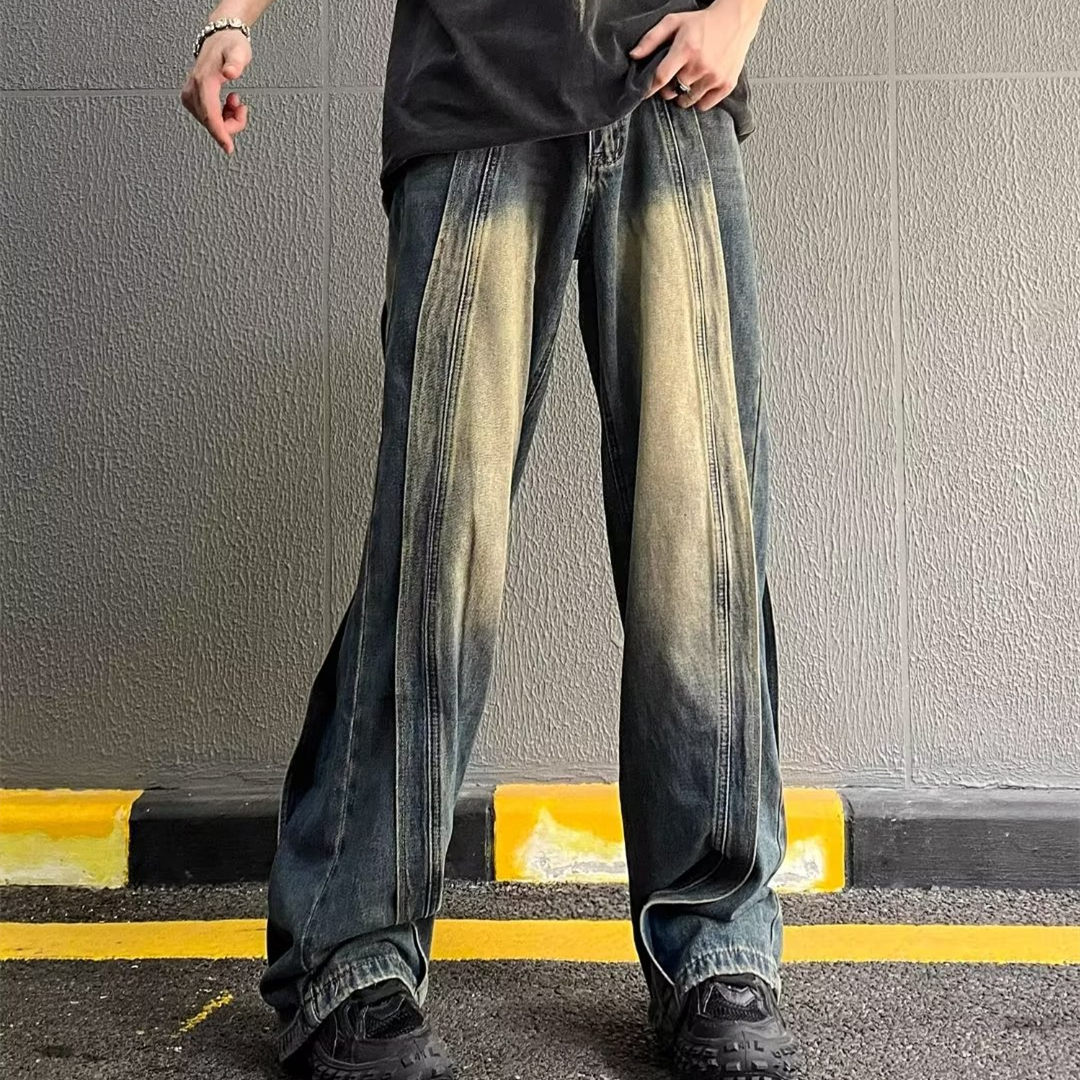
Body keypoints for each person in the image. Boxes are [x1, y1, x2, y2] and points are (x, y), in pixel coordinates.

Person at [182, 2, 800, 1077]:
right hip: (477, 86)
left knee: (699, 547)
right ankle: (350, 956)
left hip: (674, 88)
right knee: (436, 548)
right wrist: (227, 20)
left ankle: (716, 946)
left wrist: (738, 14)